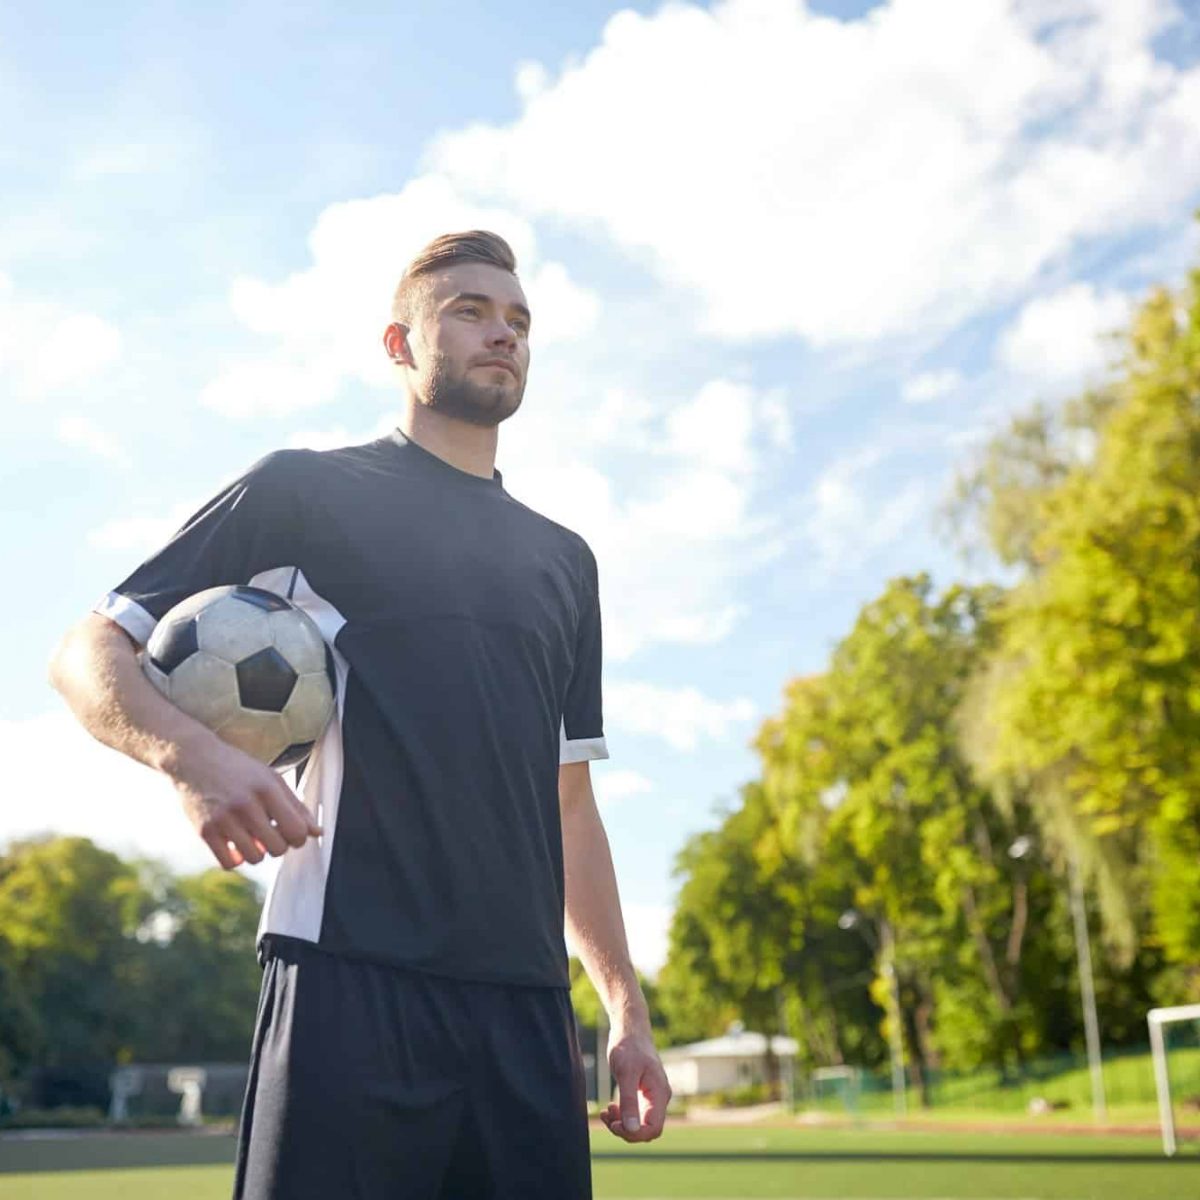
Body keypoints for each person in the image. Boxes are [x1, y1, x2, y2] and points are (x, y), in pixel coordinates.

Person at [48, 230, 670, 1198]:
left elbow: (570, 805)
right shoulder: (304, 491)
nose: (502, 333)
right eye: (469, 310)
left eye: (518, 319)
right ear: (398, 344)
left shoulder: (563, 560)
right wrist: (191, 757)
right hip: (348, 975)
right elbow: (87, 650)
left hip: (526, 1009)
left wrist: (623, 1007)